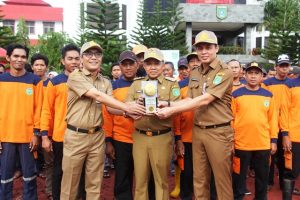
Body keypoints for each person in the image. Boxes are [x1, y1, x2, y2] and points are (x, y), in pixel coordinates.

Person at [60, 41, 144, 200]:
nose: (94, 57)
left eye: (97, 54)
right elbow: (97, 95)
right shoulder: (75, 76)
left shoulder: (105, 82)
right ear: (82, 58)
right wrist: (127, 107)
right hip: (76, 136)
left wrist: (130, 110)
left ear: (101, 58)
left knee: (94, 183)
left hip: (97, 136)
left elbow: (110, 108)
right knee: (70, 183)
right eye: (89, 54)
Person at [156, 30, 234, 200]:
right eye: (200, 48)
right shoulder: (196, 72)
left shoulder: (225, 72)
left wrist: (172, 110)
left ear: (217, 48)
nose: (204, 51)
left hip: (219, 132)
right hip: (198, 131)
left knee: (221, 180)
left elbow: (205, 99)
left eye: (208, 47)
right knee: (199, 179)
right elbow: (191, 98)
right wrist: (169, 104)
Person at [126, 48, 181, 200]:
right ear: (143, 66)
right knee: (140, 181)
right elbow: (126, 104)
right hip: (140, 137)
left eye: (156, 63)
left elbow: (178, 108)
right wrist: (135, 104)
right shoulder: (137, 84)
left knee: (161, 181)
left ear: (163, 65)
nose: (153, 67)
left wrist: (166, 107)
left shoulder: (172, 85)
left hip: (161, 138)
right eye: (149, 63)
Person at [40, 44, 83, 200]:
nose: (74, 62)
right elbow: (46, 110)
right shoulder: (56, 82)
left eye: (77, 58)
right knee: (60, 170)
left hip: (82, 136)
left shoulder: (87, 80)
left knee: (82, 172)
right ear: (63, 61)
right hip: (61, 136)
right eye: (70, 58)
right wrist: (45, 136)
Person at [0, 44, 43, 199]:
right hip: (5, 137)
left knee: (29, 176)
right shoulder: (1, 80)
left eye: (23, 57)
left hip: (28, 137)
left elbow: (39, 110)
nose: (19, 59)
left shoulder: (35, 81)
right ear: (8, 58)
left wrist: (36, 133)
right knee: (4, 177)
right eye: (16, 56)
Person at [231, 62, 278, 200]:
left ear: (262, 77)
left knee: (262, 177)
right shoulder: (236, 94)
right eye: (250, 73)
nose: (253, 76)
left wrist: (274, 140)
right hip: (241, 143)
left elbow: (273, 120)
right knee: (238, 176)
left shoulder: (268, 95)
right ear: (244, 75)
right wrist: (232, 140)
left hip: (263, 144)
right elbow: (231, 119)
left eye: (256, 73)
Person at [104, 50, 139, 199]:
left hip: (142, 138)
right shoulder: (113, 86)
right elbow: (107, 114)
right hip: (121, 139)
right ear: (120, 66)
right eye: (125, 64)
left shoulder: (146, 83)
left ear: (137, 65)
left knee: (144, 177)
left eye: (131, 64)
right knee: (122, 177)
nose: (128, 67)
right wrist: (108, 141)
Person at [262, 54, 291, 190]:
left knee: (285, 155)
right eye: (281, 66)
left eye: (286, 66)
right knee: (270, 155)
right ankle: (268, 182)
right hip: (270, 124)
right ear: (276, 67)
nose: (284, 69)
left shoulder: (291, 84)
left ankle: (285, 184)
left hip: (287, 125)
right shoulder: (267, 83)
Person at [31, 53, 53, 197]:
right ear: (32, 66)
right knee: (29, 162)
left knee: (49, 161)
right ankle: (30, 192)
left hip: (47, 130)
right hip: (30, 129)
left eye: (42, 65)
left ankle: (50, 190)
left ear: (46, 67)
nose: (39, 67)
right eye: (36, 65)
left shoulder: (51, 84)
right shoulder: (28, 82)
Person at [281, 69, 300, 200]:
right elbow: (284, 111)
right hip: (294, 136)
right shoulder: (290, 85)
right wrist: (285, 135)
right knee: (291, 171)